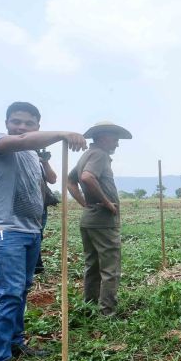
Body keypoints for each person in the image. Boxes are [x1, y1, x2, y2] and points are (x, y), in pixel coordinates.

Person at [0, 101, 86, 361]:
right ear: (7, 123)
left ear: (37, 125)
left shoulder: (32, 156)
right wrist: (63, 133)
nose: (21, 127)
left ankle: (15, 343)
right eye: (16, 121)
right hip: (3, 229)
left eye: (28, 123)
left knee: (21, 290)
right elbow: (22, 141)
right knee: (8, 293)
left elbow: (46, 180)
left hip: (29, 230)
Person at [67, 122, 131, 317]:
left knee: (92, 265)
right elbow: (87, 178)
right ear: (104, 138)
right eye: (115, 139)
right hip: (103, 221)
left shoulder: (85, 155)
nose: (117, 144)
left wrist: (86, 204)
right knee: (110, 268)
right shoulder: (100, 155)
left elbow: (70, 182)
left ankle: (89, 305)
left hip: (89, 219)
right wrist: (108, 203)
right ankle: (107, 312)